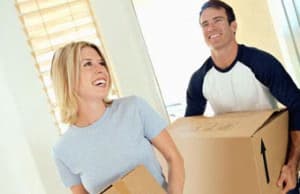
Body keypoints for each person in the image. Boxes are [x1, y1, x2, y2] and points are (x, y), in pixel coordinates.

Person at [185, 0, 300, 193]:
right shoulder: (199, 80)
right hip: (236, 170)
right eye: (205, 24)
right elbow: (191, 131)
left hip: (275, 167)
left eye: (217, 20)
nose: (211, 27)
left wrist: (292, 164)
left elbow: (297, 105)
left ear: (233, 26)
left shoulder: (261, 64)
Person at [51, 41, 184, 194]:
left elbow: (174, 158)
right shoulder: (63, 149)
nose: (100, 69)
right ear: (67, 77)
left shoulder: (134, 108)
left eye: (102, 63)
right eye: (87, 64)